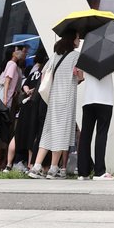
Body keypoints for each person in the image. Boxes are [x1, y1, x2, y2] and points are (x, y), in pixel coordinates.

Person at [30, 31, 80, 179]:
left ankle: (37, 166)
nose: (79, 41)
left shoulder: (55, 56)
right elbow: (80, 77)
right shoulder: (76, 56)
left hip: (53, 99)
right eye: (78, 38)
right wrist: (76, 76)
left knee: (48, 132)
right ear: (72, 40)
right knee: (62, 133)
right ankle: (53, 168)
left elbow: (44, 74)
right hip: (66, 98)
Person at [76, 51, 114, 180]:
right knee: (101, 134)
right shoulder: (111, 54)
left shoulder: (87, 54)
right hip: (105, 100)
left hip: (88, 99)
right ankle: (99, 171)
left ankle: (83, 172)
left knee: (85, 135)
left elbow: (80, 74)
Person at [7, 46, 47, 171]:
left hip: (25, 104)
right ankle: (30, 165)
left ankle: (8, 165)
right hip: (35, 106)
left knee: (17, 135)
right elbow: (43, 88)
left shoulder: (33, 72)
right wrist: (34, 92)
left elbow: (25, 86)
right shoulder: (44, 73)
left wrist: (28, 91)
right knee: (33, 135)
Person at [0, 45, 26, 170]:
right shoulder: (13, 65)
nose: (23, 53)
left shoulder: (9, 64)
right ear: (14, 53)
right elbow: (7, 81)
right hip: (3, 101)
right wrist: (5, 99)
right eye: (19, 51)